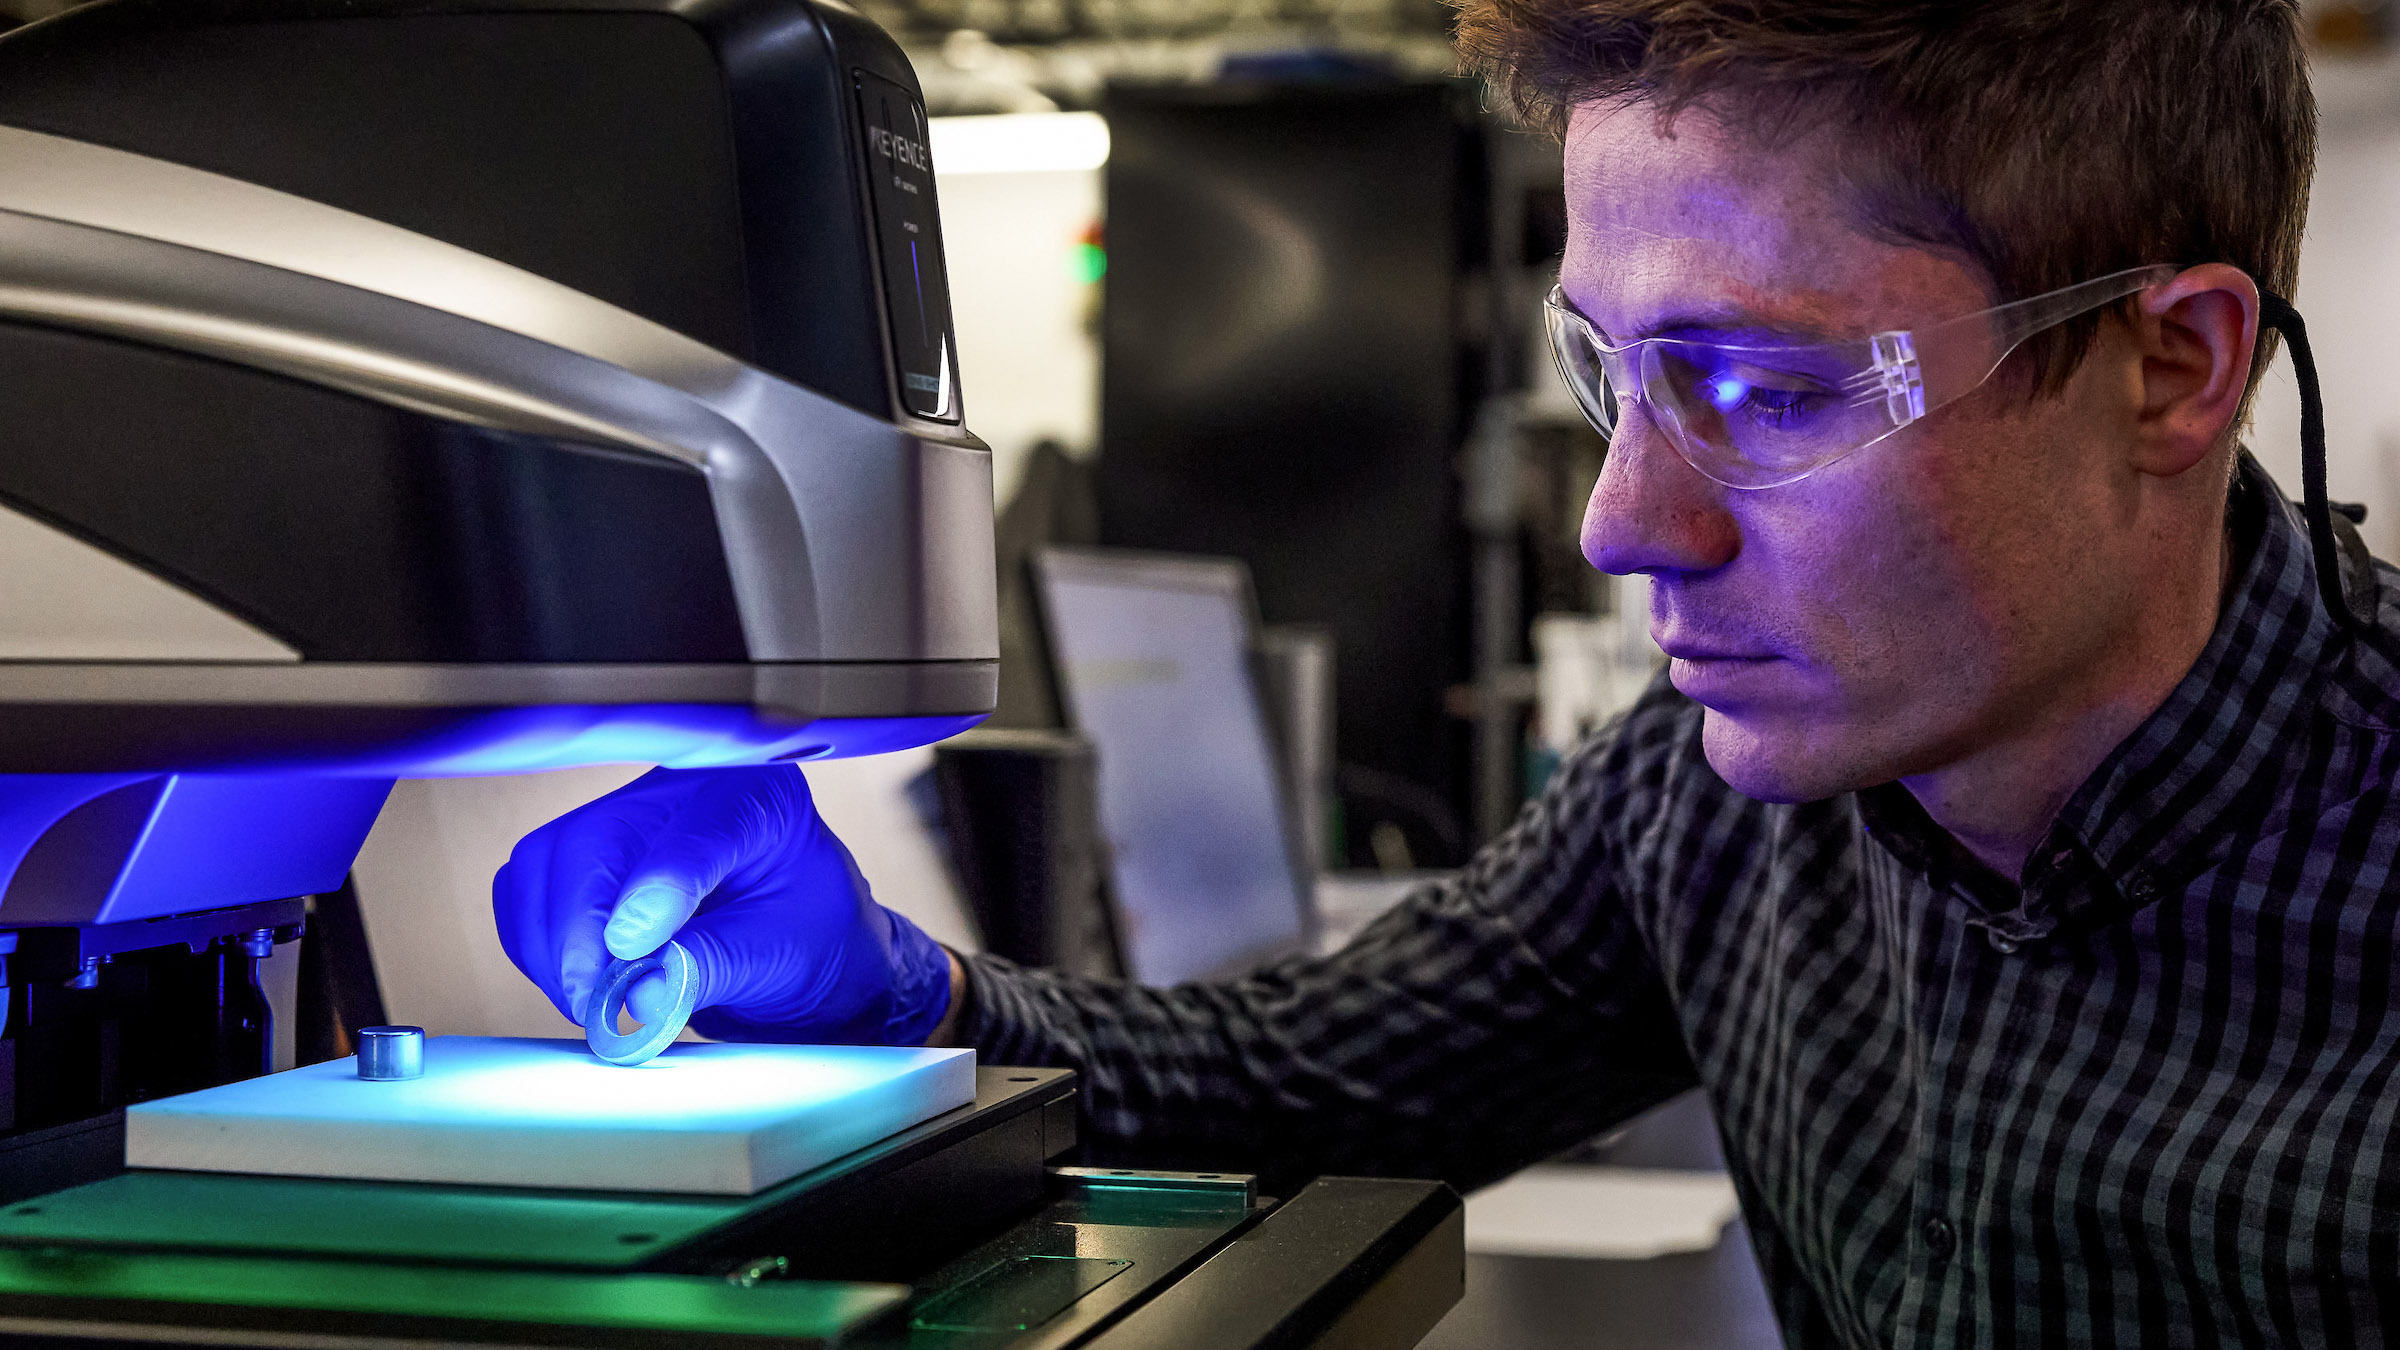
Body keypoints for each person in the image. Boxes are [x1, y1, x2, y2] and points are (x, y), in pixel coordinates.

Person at [495, 1, 2400, 1341]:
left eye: (1766, 388)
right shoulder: (1707, 807)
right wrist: (872, 983)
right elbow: (1298, 1086)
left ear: (2176, 364)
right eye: (1612, 375)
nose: (1624, 521)